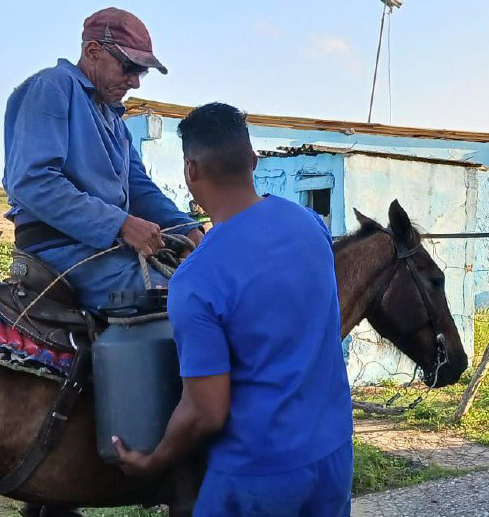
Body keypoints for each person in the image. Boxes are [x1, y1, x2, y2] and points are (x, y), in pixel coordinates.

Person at [113, 103, 354, 516]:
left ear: (191, 171)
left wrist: (154, 460)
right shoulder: (311, 225)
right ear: (253, 160)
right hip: (332, 457)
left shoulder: (196, 279)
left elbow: (206, 411)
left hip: (256, 478)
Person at [3, 7, 203, 312]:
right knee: (190, 301)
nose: (135, 82)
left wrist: (187, 229)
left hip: (105, 247)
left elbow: (139, 189)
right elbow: (32, 182)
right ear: (93, 51)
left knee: (207, 278)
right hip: (62, 250)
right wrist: (121, 224)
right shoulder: (50, 87)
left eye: (141, 72)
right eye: (128, 67)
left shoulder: (113, 119)